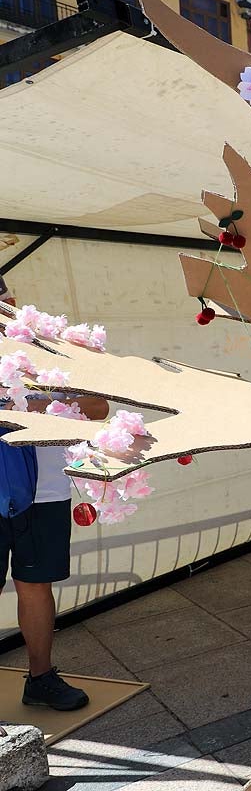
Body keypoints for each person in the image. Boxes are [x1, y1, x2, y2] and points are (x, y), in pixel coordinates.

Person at [0, 279, 106, 710]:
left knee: (36, 585)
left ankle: (40, 678)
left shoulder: (50, 347)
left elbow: (99, 408)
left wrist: (32, 405)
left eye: (5, 300)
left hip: (45, 492)